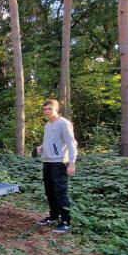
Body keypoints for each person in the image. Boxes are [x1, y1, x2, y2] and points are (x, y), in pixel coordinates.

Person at [36, 98, 77, 234]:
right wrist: (42, 147)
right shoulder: (47, 125)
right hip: (47, 162)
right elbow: (51, 141)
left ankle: (66, 221)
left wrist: (72, 163)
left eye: (49, 109)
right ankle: (54, 216)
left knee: (60, 193)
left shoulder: (63, 124)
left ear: (56, 109)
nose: (46, 111)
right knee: (49, 191)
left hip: (59, 163)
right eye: (45, 109)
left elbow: (71, 144)